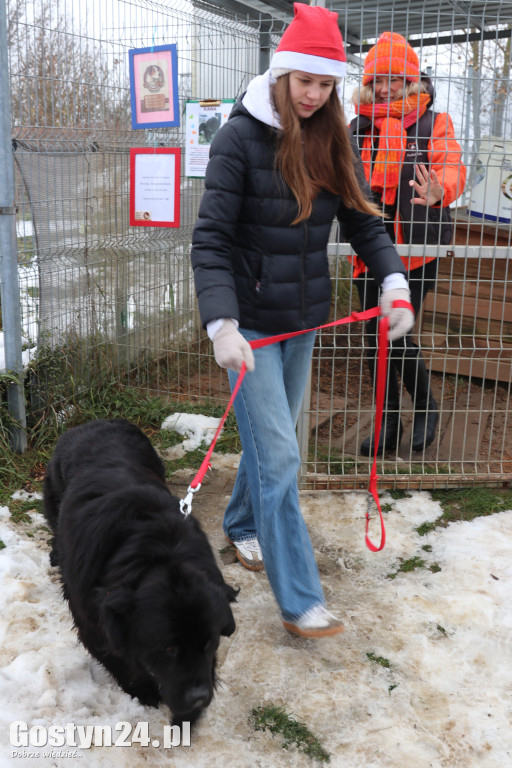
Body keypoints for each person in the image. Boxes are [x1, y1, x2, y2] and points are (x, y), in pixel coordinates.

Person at [191, 4, 415, 638]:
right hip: (248, 326)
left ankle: (239, 526)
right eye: (304, 81)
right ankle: (299, 600)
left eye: (325, 83)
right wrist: (222, 326)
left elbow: (364, 221)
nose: (315, 94)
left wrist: (394, 282)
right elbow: (209, 240)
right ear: (283, 74)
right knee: (284, 454)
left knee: (274, 439)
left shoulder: (332, 133)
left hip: (303, 319)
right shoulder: (237, 138)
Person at [349, 32, 467, 455]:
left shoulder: (435, 123)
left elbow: (450, 162)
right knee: (372, 336)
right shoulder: (357, 127)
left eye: (394, 79)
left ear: (412, 79)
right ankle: (388, 421)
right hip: (370, 251)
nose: (384, 88)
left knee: (394, 332)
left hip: (417, 252)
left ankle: (425, 408)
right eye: (377, 79)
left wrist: (442, 190)